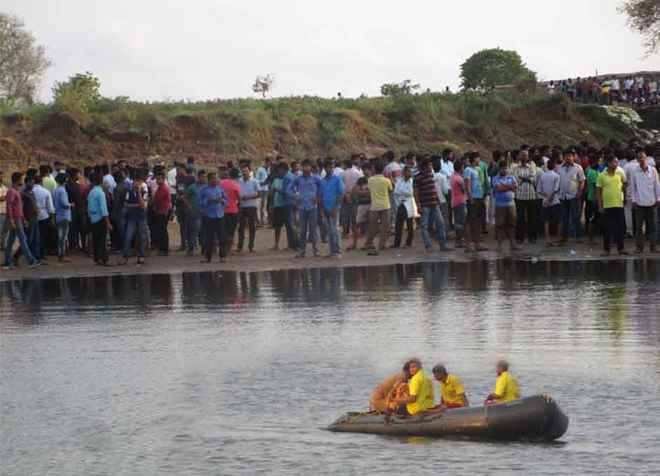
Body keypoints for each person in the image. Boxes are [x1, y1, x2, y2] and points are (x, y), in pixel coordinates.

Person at [2, 172, 39, 269]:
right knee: (23, 239)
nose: (23, 181)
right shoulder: (11, 191)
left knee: (11, 241)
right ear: (18, 180)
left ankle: (7, 262)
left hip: (18, 218)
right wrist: (11, 220)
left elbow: (19, 208)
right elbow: (9, 206)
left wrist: (23, 219)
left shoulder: (16, 191)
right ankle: (31, 261)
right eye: (21, 179)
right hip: (15, 219)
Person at [415, 158, 450, 252]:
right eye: (430, 165)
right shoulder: (418, 177)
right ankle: (428, 245)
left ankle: (443, 245)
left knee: (441, 224)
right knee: (424, 226)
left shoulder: (431, 175)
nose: (431, 167)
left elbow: (433, 189)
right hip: (425, 204)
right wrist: (418, 205)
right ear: (425, 166)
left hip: (434, 203)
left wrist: (438, 200)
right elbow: (416, 192)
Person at [597, 155, 628, 257]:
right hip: (607, 206)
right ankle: (606, 250)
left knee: (620, 228)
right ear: (609, 163)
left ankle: (621, 248)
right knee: (607, 229)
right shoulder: (601, 175)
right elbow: (599, 193)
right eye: (614, 162)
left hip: (619, 204)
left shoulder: (620, 172)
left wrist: (625, 197)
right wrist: (600, 206)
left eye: (617, 162)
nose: (616, 164)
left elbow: (625, 184)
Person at [629, 150, 659, 254]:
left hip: (652, 203)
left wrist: (658, 198)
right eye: (640, 158)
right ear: (637, 160)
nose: (642, 160)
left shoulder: (653, 170)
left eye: (643, 158)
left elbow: (657, 185)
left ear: (646, 159)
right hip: (639, 204)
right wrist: (633, 200)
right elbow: (633, 187)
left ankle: (653, 247)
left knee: (653, 226)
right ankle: (639, 247)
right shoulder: (634, 172)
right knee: (638, 228)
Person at [293, 159, 322, 258]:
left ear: (311, 167)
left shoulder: (316, 178)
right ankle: (302, 251)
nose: (306, 168)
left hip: (313, 207)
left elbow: (322, 189)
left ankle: (316, 250)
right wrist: (295, 197)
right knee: (302, 230)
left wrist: (318, 198)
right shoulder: (298, 179)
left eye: (308, 166)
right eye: (304, 166)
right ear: (302, 167)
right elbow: (290, 188)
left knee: (313, 230)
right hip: (302, 208)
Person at [364, 160, 393, 255]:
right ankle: (382, 244)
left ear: (374, 169)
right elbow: (390, 190)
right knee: (385, 227)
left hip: (374, 206)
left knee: (373, 227)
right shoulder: (387, 180)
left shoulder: (370, 180)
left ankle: (368, 243)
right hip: (385, 205)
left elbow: (368, 191)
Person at [120, 173, 149, 265]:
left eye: (138, 182)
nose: (136, 183)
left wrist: (139, 193)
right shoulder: (129, 191)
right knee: (128, 237)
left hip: (141, 217)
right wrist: (137, 205)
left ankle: (141, 256)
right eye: (135, 181)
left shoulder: (144, 192)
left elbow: (143, 206)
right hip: (132, 218)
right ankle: (125, 256)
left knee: (142, 237)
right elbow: (126, 204)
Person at [491, 161, 521, 252]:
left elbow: (515, 188)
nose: (504, 170)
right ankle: (499, 245)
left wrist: (504, 186)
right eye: (502, 168)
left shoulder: (511, 177)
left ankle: (513, 244)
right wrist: (509, 186)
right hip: (500, 205)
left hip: (511, 204)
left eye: (505, 168)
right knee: (500, 225)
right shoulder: (495, 178)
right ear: (499, 169)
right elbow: (498, 189)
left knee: (512, 224)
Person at [558, 149, 585, 245]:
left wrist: (579, 192)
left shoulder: (578, 168)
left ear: (574, 157)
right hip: (562, 196)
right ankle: (564, 238)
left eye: (570, 156)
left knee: (576, 217)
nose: (568, 158)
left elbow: (582, 181)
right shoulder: (559, 167)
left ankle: (579, 237)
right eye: (566, 156)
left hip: (574, 195)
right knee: (564, 218)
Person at [319, 159, 345, 258]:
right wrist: (321, 209)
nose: (331, 169)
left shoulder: (337, 179)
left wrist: (336, 208)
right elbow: (320, 196)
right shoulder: (322, 181)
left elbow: (341, 194)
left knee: (335, 230)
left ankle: (337, 251)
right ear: (325, 168)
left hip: (334, 208)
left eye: (332, 167)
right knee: (329, 230)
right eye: (329, 167)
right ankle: (331, 251)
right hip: (325, 208)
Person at [200, 172, 228, 263]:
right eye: (213, 178)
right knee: (209, 238)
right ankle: (207, 257)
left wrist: (222, 201)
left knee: (222, 237)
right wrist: (208, 201)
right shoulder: (204, 190)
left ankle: (222, 256)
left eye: (216, 178)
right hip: (209, 216)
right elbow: (199, 202)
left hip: (220, 215)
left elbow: (226, 199)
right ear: (209, 180)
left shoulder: (220, 189)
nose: (215, 180)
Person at [87, 172, 113, 266]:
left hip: (93, 219)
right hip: (101, 219)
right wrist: (108, 223)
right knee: (102, 240)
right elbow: (104, 209)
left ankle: (97, 258)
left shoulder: (91, 192)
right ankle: (104, 259)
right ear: (101, 182)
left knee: (96, 239)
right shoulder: (100, 193)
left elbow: (88, 207)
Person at [513, 150, 538, 244]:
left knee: (532, 218)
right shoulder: (516, 168)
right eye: (522, 155)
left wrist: (523, 178)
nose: (524, 157)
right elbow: (515, 180)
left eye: (525, 155)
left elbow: (534, 179)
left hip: (531, 195)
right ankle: (520, 237)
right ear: (519, 156)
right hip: (519, 196)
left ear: (528, 157)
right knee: (520, 218)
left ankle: (532, 237)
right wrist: (527, 178)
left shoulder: (532, 167)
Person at [464, 154, 487, 252]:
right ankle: (468, 245)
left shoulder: (477, 169)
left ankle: (477, 244)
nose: (479, 160)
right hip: (473, 198)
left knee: (477, 222)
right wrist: (470, 197)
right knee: (470, 221)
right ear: (474, 159)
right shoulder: (468, 170)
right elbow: (467, 185)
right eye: (478, 158)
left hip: (479, 197)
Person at [271, 162, 297, 251]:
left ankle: (292, 245)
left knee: (289, 225)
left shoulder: (287, 177)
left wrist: (277, 189)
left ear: (283, 169)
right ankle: (292, 245)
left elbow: (287, 192)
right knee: (289, 224)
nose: (278, 172)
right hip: (290, 202)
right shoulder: (291, 176)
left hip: (288, 203)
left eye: (279, 170)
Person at [536, 159, 561, 247]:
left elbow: (539, 189)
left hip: (545, 201)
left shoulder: (542, 176)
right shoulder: (557, 176)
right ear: (554, 166)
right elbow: (556, 189)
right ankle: (557, 239)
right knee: (557, 220)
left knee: (546, 221)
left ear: (547, 166)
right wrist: (550, 198)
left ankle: (547, 240)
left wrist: (546, 197)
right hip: (555, 201)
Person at [238, 165, 260, 253]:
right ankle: (240, 246)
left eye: (246, 171)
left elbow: (259, 194)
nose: (244, 173)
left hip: (252, 206)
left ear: (249, 172)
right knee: (241, 227)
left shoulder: (255, 181)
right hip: (242, 206)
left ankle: (251, 246)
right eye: (243, 171)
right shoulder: (239, 181)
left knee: (252, 227)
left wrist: (248, 197)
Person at [393, 166, 416, 248]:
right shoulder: (399, 181)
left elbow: (410, 193)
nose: (410, 173)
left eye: (410, 172)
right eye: (408, 171)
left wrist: (401, 192)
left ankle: (408, 243)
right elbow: (396, 192)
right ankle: (396, 243)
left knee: (410, 224)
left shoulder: (412, 181)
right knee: (398, 225)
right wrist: (403, 192)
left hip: (409, 204)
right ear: (404, 173)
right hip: (400, 203)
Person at [53, 173, 73, 262]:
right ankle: (62, 255)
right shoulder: (62, 191)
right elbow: (65, 204)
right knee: (63, 236)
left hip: (58, 215)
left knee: (60, 235)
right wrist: (71, 204)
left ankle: (60, 254)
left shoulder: (55, 190)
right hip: (64, 215)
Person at [221, 168, 242, 252]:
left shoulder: (222, 183)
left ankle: (223, 247)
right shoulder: (236, 185)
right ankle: (229, 248)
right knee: (231, 230)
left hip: (222, 210)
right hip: (233, 210)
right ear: (237, 176)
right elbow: (239, 199)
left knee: (223, 230)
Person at [348, 176, 371, 251]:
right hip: (364, 206)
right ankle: (368, 244)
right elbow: (355, 193)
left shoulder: (359, 186)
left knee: (358, 226)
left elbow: (354, 194)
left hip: (362, 206)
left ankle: (357, 244)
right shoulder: (367, 186)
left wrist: (360, 193)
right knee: (363, 226)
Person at [152, 172, 172, 256]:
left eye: (159, 179)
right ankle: (162, 248)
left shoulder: (163, 188)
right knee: (161, 230)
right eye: (157, 179)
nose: (157, 180)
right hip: (160, 211)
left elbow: (157, 199)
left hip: (163, 211)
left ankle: (164, 249)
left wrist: (153, 202)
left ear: (163, 179)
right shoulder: (160, 187)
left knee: (163, 231)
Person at [451, 160, 467, 248]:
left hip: (455, 201)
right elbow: (464, 190)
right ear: (461, 168)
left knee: (457, 222)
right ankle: (460, 241)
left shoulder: (453, 176)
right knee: (461, 222)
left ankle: (458, 241)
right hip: (460, 201)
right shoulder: (459, 178)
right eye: (463, 167)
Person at [255, 158, 271, 226]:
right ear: (266, 162)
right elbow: (256, 180)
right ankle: (258, 221)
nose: (269, 165)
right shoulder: (260, 169)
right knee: (259, 205)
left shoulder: (268, 170)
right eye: (268, 163)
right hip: (260, 190)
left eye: (270, 164)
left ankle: (263, 220)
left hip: (266, 190)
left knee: (264, 206)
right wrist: (263, 183)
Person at [0, 171, 8, 251]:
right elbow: (1, 198)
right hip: (0, 212)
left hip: (5, 211)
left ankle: (2, 245)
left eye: (2, 176)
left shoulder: (4, 187)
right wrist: (6, 196)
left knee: (4, 230)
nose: (1, 178)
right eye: (0, 176)